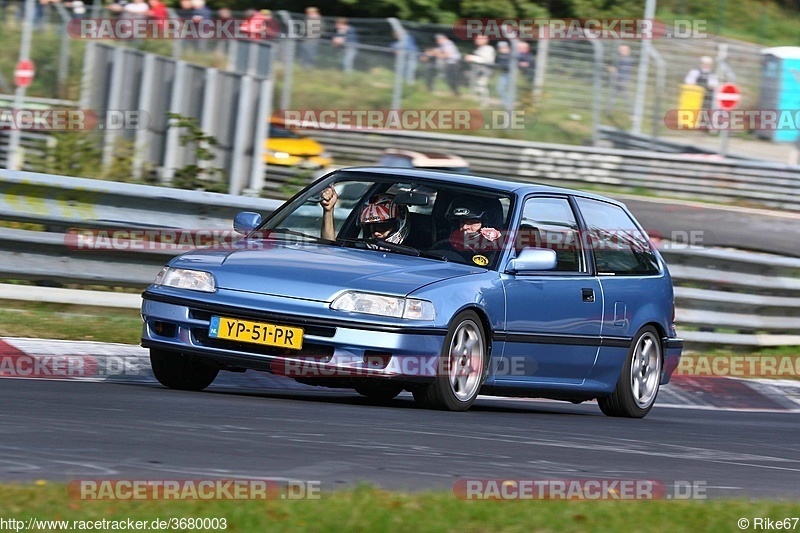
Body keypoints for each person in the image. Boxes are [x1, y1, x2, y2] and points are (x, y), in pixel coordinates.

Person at [320, 187, 409, 247]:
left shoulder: (414, 258)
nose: (375, 233)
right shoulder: (358, 251)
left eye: (382, 226)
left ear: (399, 224)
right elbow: (328, 251)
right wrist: (328, 211)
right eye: (370, 227)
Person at [431, 196, 503, 265]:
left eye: (472, 222)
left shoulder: (496, 253)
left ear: (486, 226)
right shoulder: (448, 243)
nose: (465, 227)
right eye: (462, 222)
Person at [464, 35, 495, 106]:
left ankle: (484, 103)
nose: (477, 40)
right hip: (477, 71)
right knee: (475, 88)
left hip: (484, 71)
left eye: (479, 39)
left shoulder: (488, 49)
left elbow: (487, 60)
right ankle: (477, 103)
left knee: (481, 86)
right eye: (476, 39)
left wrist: (472, 58)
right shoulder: (479, 49)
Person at [605, 44, 633, 114]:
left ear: (626, 51)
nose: (620, 51)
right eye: (620, 50)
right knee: (615, 96)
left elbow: (621, 72)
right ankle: (608, 111)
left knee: (622, 96)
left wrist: (613, 70)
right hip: (621, 81)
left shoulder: (625, 60)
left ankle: (632, 112)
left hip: (622, 81)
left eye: (621, 50)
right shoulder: (626, 59)